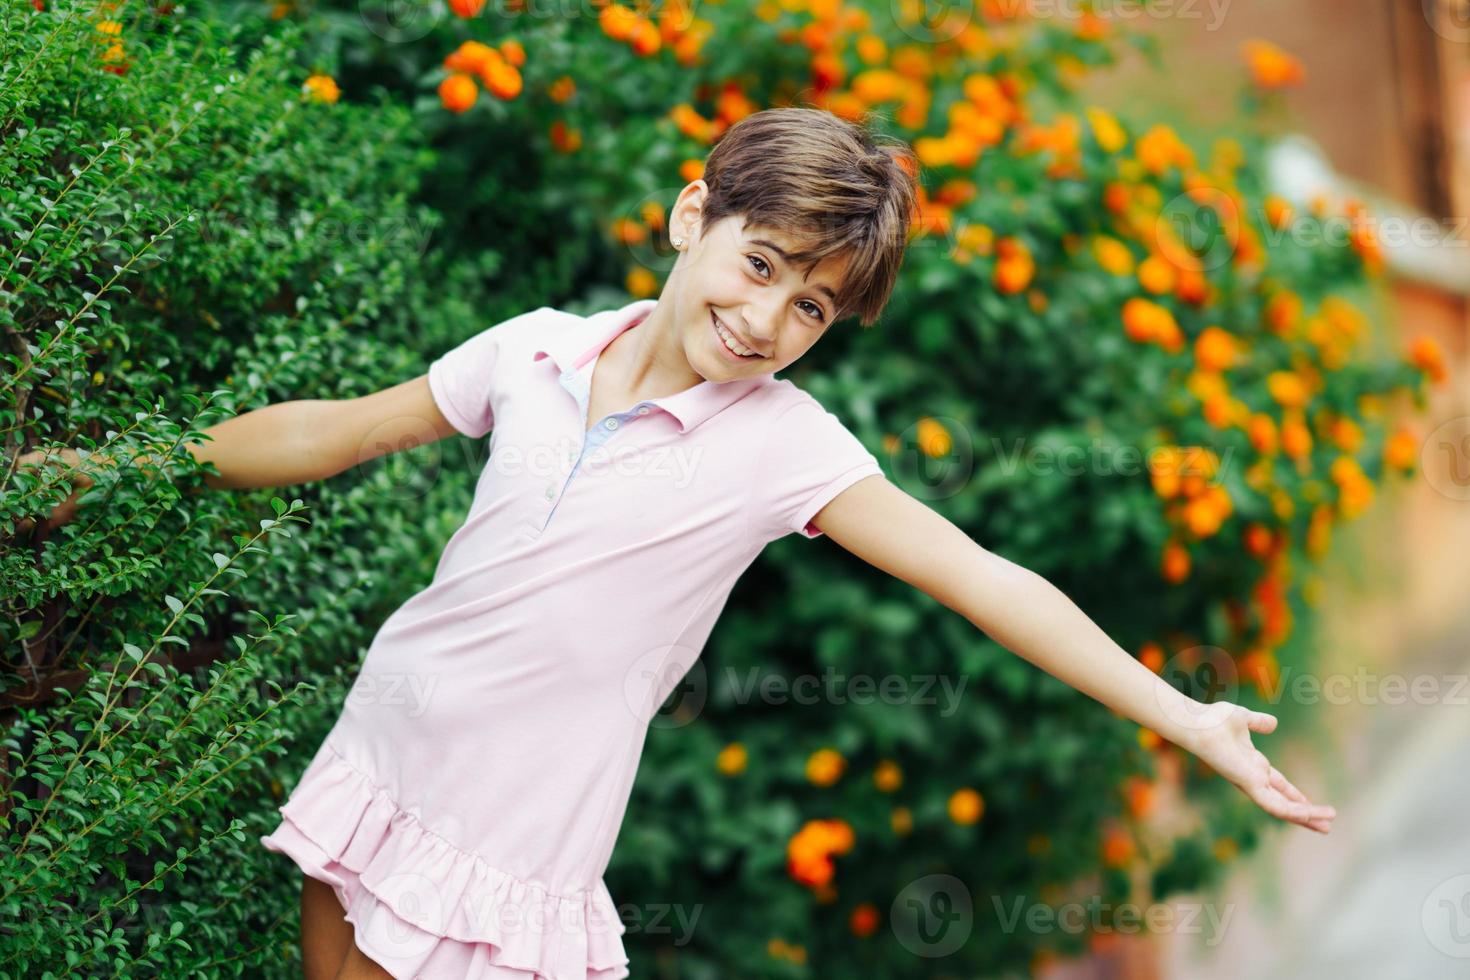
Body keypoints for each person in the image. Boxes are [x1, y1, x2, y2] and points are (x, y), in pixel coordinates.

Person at [13, 106, 1335, 980]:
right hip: (386, 760)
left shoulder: (786, 445)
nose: (768, 319)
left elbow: (981, 578)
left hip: (520, 855)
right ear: (690, 217)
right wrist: (124, 465)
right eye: (761, 264)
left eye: (811, 305)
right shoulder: (531, 350)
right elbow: (337, 431)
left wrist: (1181, 717)